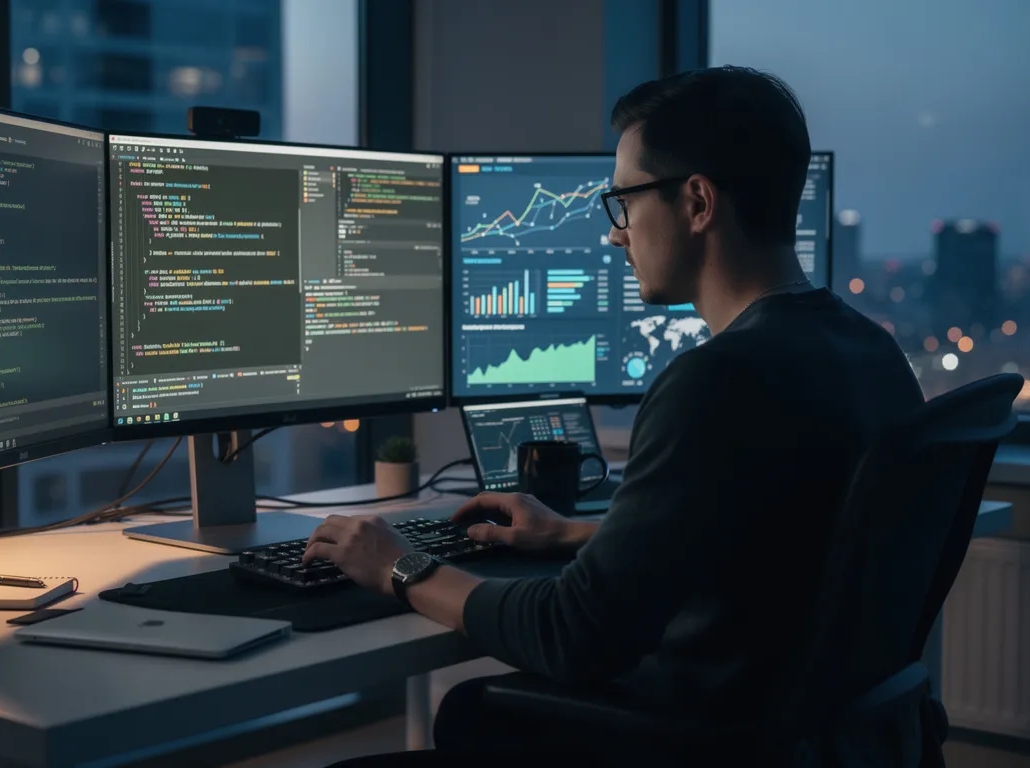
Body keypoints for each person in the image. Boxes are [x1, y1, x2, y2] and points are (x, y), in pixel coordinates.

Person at [309, 66, 924, 764]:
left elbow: (573, 634)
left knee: (454, 722)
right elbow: (779, 543)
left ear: (697, 203)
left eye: (624, 202)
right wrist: (580, 533)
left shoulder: (719, 380)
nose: (616, 235)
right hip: (809, 738)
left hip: (696, 740)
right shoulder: (872, 354)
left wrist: (401, 565)